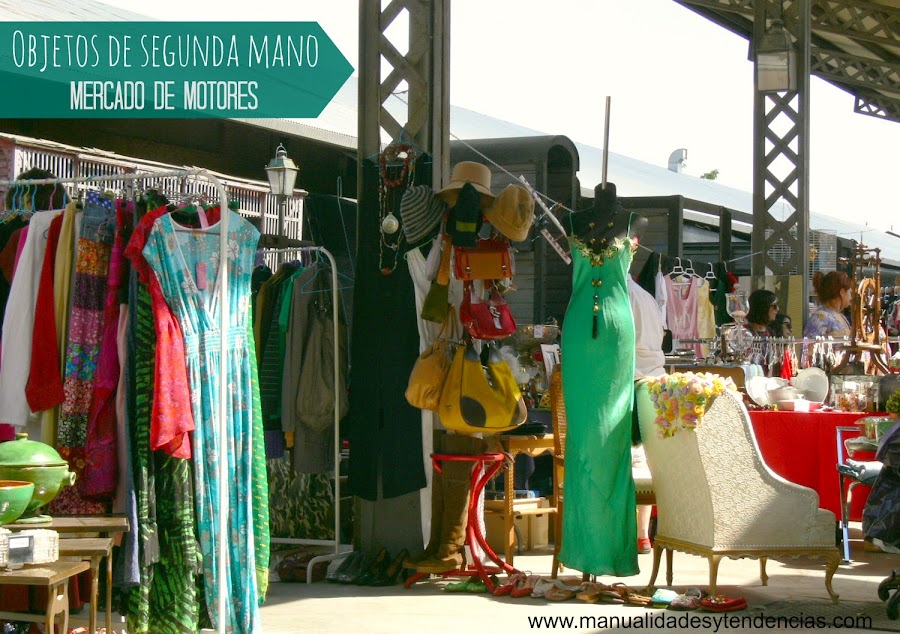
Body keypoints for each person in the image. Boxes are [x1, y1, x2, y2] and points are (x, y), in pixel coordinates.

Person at [628, 275, 665, 555]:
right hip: (652, 384)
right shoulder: (646, 296)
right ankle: (642, 535)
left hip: (629, 383)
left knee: (630, 463)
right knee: (643, 462)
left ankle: (632, 533)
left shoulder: (615, 295)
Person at [803, 271, 853, 338]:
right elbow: (807, 345)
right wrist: (832, 336)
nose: (851, 297)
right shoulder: (819, 317)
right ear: (842, 292)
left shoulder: (842, 317)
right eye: (850, 292)